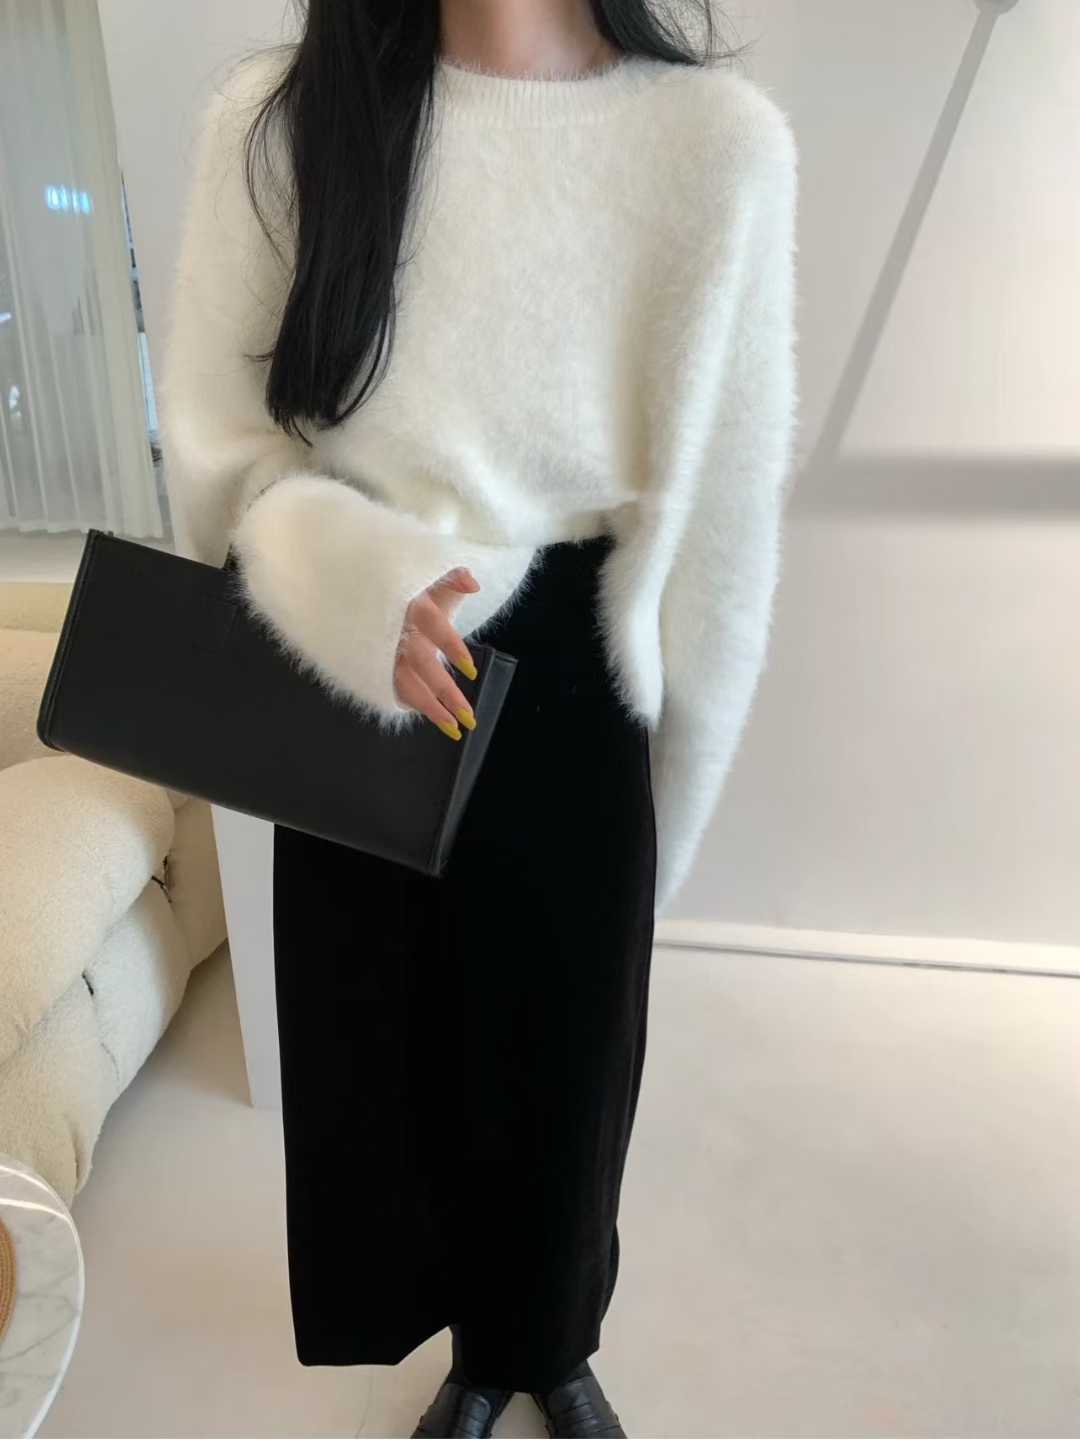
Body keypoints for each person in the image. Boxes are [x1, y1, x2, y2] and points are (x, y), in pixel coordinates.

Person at [158, 1, 798, 1435]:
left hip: (580, 663)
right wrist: (352, 587)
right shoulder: (284, 120)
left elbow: (727, 512)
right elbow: (224, 452)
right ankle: (470, 1351)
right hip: (368, 651)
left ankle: (544, 1344)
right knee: (384, 1057)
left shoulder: (715, 145)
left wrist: (676, 772)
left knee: (570, 1062)